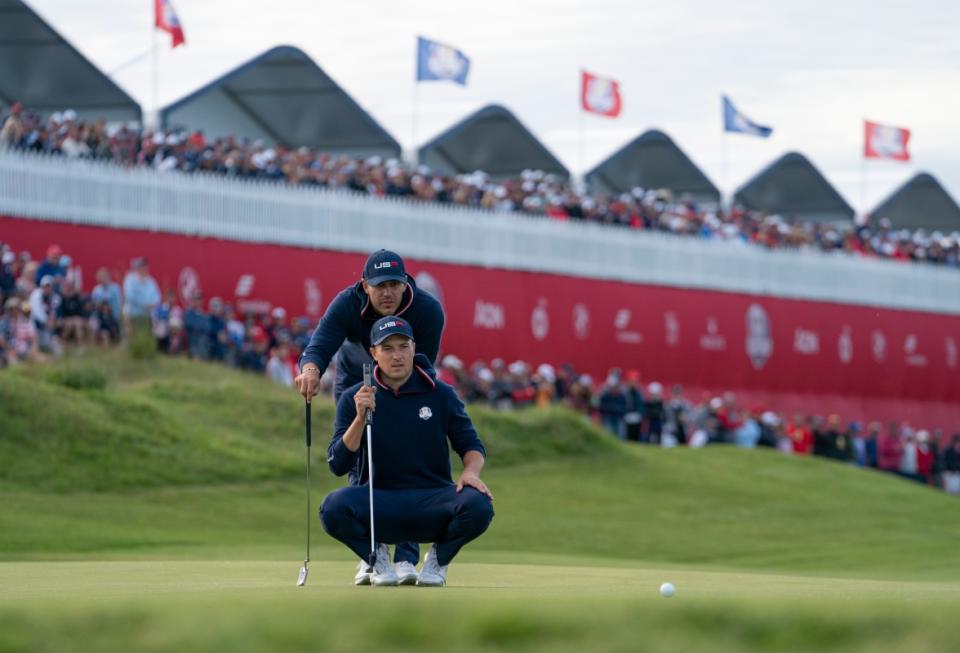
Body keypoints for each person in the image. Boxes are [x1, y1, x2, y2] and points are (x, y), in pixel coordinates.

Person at [295, 249, 445, 580]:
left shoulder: (428, 310)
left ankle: (407, 556)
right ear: (365, 285)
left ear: (406, 284)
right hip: (354, 377)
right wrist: (310, 370)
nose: (388, 293)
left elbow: (422, 366)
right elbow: (320, 345)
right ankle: (373, 552)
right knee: (359, 452)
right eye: (380, 286)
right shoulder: (347, 302)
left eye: (394, 284)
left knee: (404, 453)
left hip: (407, 376)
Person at [319, 316, 493, 587]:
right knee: (332, 508)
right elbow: (338, 464)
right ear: (374, 353)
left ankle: (438, 559)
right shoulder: (356, 396)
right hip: (380, 504)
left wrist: (471, 472)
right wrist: (359, 417)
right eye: (387, 349)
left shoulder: (441, 394)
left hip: (432, 500)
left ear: (414, 348)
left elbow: (471, 444)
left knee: (479, 504)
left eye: (403, 346)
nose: (397, 355)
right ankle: (377, 560)